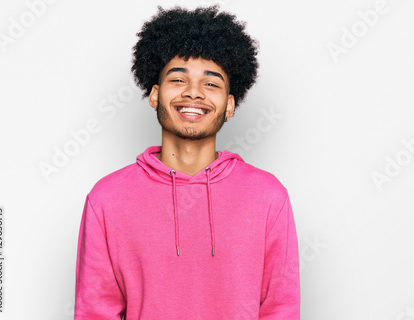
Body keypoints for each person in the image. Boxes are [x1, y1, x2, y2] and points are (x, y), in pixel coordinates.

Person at [74, 5, 300, 320]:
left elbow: (281, 310)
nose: (194, 93)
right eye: (178, 80)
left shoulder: (268, 196)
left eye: (211, 83)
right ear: (154, 94)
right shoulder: (107, 199)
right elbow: (94, 312)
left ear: (230, 105)